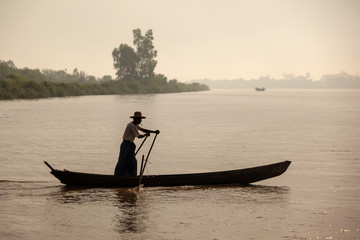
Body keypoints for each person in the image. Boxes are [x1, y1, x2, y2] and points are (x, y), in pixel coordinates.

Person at [114, 111, 159, 177]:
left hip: (130, 145)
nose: (141, 120)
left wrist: (154, 132)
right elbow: (138, 136)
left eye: (141, 119)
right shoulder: (131, 125)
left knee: (132, 161)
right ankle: (118, 176)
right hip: (126, 145)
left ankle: (130, 175)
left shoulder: (135, 125)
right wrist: (145, 135)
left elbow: (143, 130)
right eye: (140, 119)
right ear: (136, 119)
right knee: (123, 161)